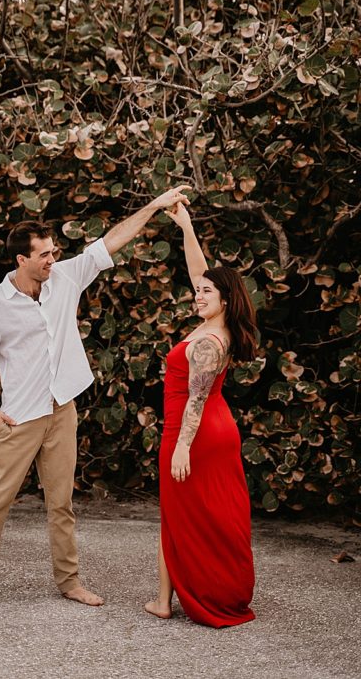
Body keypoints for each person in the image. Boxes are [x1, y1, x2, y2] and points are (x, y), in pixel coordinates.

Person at [0, 185, 192, 611]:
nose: (52, 259)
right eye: (43, 254)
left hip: (62, 411)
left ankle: (70, 582)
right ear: (21, 259)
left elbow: (111, 240)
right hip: (19, 418)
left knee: (61, 505)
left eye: (54, 251)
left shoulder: (65, 277)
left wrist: (154, 206)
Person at [143, 201, 257, 627]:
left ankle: (198, 595)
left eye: (206, 292)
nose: (197, 293)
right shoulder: (215, 322)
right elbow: (200, 273)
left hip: (195, 432)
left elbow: (196, 398)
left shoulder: (210, 341)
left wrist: (181, 448)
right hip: (209, 428)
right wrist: (186, 226)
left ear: (224, 300)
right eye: (198, 291)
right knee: (190, 514)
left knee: (187, 515)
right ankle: (163, 599)